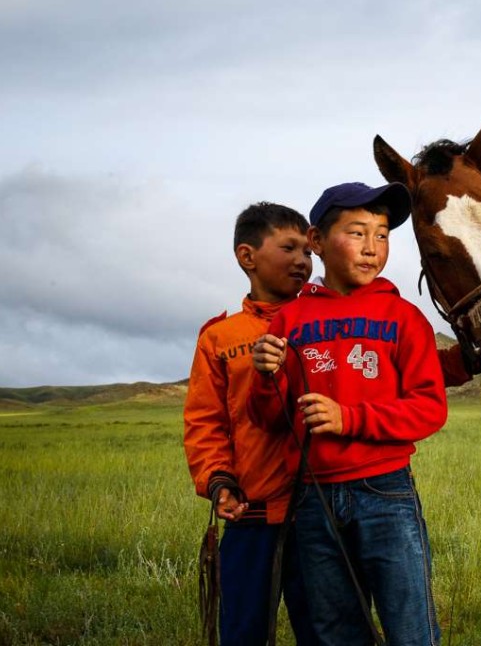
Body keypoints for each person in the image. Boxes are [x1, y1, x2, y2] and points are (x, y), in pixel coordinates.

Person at [249, 181, 447, 646]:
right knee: (335, 629)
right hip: (313, 499)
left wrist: (348, 418)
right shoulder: (291, 321)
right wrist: (266, 376)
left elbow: (429, 408)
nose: (372, 247)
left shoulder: (403, 317)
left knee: (410, 626)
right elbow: (269, 418)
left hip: (386, 492)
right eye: (357, 233)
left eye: (381, 235)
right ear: (317, 242)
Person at [183, 202, 316, 646]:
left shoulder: (326, 321)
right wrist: (219, 483)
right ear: (247, 256)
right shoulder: (220, 337)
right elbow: (206, 423)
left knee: (329, 631)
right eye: (289, 248)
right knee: (244, 633)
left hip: (320, 514)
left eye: (308, 250)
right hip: (251, 517)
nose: (303, 260)